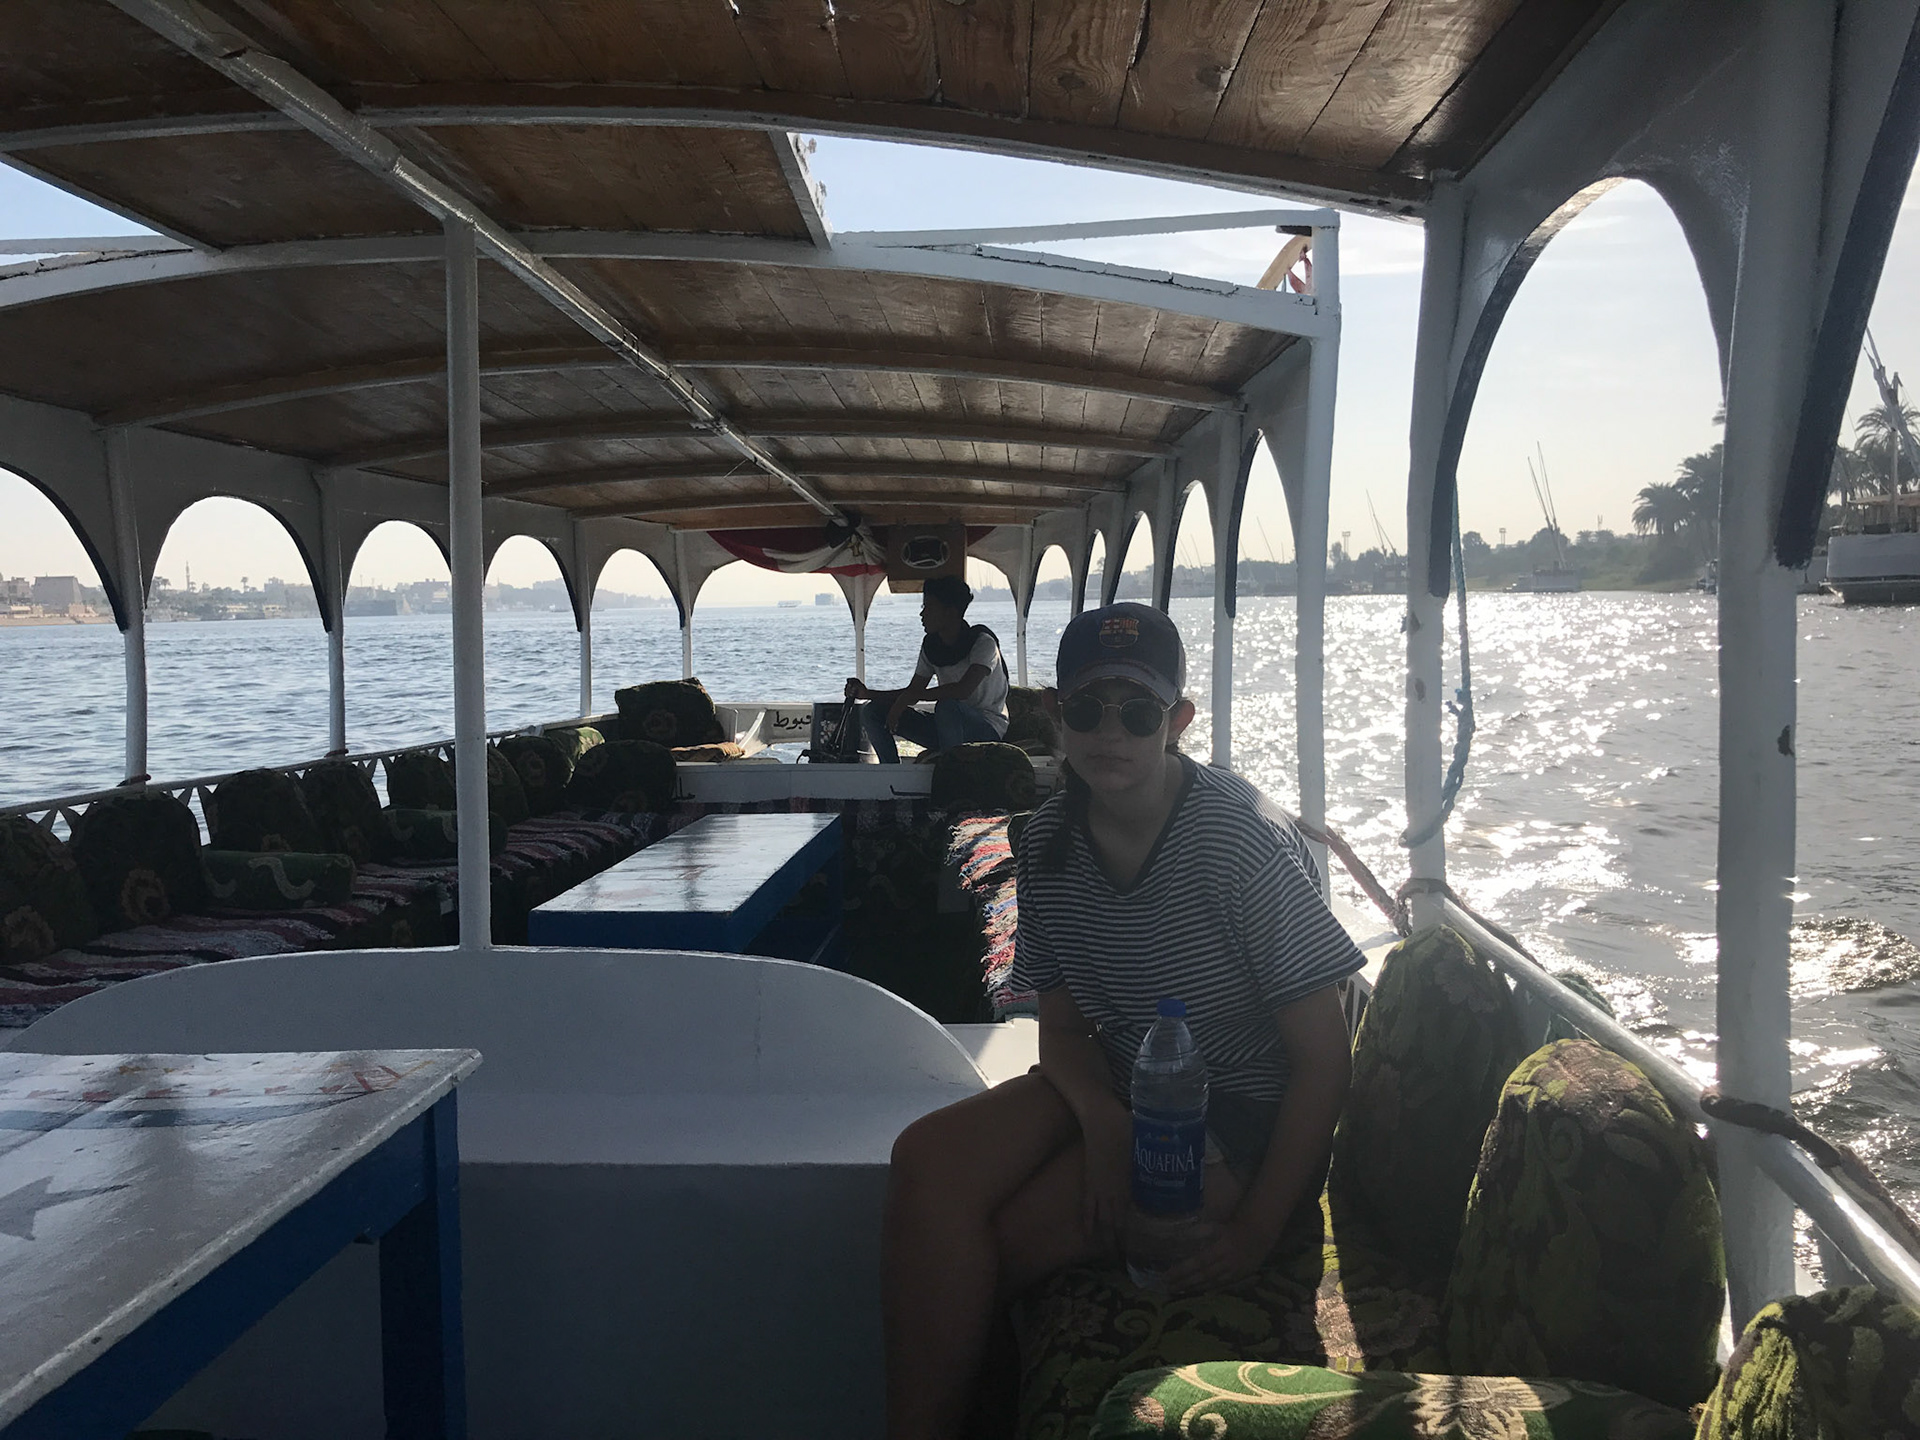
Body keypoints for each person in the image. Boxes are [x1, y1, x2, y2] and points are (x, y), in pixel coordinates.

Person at [881, 602, 1364, 1440]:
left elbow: (1324, 1060)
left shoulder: (1238, 839)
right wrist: (1107, 1127)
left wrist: (1256, 1229)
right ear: (1053, 715)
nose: (1111, 732)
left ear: (1177, 721)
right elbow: (1064, 1029)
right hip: (1120, 1074)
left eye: (1138, 711)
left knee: (999, 1243)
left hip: (1238, 1105)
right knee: (924, 1158)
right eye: (1087, 709)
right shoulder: (1046, 842)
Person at [844, 574, 1009, 763]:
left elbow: (962, 690)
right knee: (871, 711)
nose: (922, 614)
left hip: (986, 730)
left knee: (947, 706)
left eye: (928, 607)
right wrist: (868, 694)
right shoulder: (932, 647)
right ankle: (891, 771)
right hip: (947, 726)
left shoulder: (983, 643)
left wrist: (907, 698)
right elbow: (914, 691)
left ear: (950, 612)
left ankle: (950, 769)